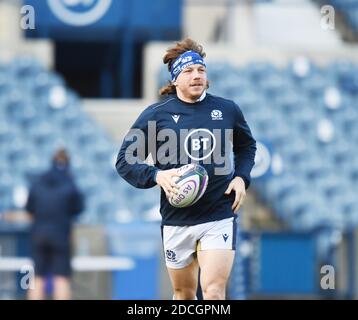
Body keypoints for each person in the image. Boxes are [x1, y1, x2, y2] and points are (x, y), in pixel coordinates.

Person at [116, 38, 256, 300]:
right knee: (184, 293)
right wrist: (156, 175)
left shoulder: (227, 109)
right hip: (177, 219)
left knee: (214, 292)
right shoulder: (155, 115)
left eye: (201, 70)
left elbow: (247, 147)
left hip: (219, 214)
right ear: (175, 79)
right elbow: (125, 160)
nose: (196, 76)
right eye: (188, 71)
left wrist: (241, 177)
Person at [25, 148, 84, 300]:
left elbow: (29, 209)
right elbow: (78, 209)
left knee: (37, 278)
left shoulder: (39, 181)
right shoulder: (70, 183)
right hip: (61, 236)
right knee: (61, 278)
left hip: (39, 235)